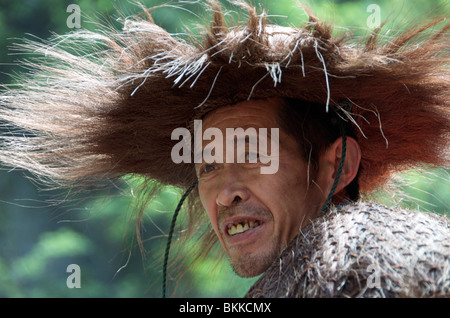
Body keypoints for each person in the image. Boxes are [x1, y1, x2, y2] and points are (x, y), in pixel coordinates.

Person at [0, 0, 448, 297]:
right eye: (208, 165)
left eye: (254, 154)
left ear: (339, 165)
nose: (225, 191)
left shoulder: (368, 250)